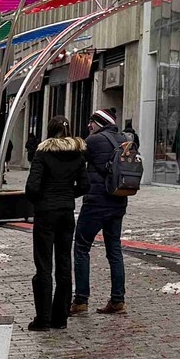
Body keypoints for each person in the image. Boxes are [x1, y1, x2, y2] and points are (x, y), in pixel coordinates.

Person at [23, 116, 87, 331]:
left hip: (46, 213)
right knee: (64, 262)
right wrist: (67, 195)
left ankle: (43, 318)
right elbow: (84, 185)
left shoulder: (43, 153)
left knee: (43, 264)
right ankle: (60, 317)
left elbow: (32, 187)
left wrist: (42, 199)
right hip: (66, 212)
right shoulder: (77, 154)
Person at [74, 109, 129, 316]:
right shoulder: (124, 139)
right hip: (118, 202)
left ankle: (81, 300)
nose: (89, 126)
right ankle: (118, 300)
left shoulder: (93, 141)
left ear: (99, 123)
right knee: (114, 250)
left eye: (92, 122)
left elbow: (76, 160)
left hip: (96, 203)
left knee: (81, 248)